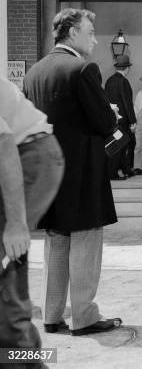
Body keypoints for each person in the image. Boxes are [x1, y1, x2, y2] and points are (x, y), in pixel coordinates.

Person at [23, 8, 123, 336]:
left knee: (56, 241)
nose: (95, 38)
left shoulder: (34, 72)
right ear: (71, 32)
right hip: (82, 170)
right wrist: (109, 111)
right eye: (90, 31)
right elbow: (104, 123)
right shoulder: (82, 69)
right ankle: (84, 316)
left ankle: (52, 315)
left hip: (49, 173)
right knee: (86, 239)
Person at [0, 75, 64, 365]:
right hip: (24, 152)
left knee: (6, 263)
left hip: (27, 155)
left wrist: (15, 224)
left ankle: (22, 358)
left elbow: (4, 148)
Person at [104, 54, 137, 180]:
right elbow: (127, 103)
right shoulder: (124, 81)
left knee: (118, 144)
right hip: (123, 120)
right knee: (121, 146)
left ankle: (126, 169)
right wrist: (133, 121)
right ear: (127, 68)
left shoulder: (109, 81)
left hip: (112, 120)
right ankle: (113, 173)